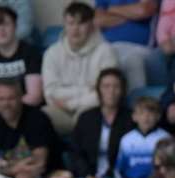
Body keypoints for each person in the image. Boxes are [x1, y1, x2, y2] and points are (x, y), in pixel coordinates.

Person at [41, 2, 119, 133]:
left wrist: (71, 103)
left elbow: (106, 94)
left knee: (87, 118)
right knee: (39, 118)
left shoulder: (106, 51)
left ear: (92, 25)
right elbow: (50, 92)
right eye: (71, 23)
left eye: (81, 23)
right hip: (60, 109)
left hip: (91, 109)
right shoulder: (52, 53)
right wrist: (87, 90)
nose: (75, 29)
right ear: (64, 25)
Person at [68, 68, 133, 178]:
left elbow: (128, 155)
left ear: (123, 90)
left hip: (115, 177)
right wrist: (87, 174)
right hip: (86, 176)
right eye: (106, 86)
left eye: (116, 86)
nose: (111, 91)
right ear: (99, 90)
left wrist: (105, 176)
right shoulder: (86, 118)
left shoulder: (130, 119)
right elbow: (75, 151)